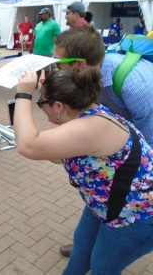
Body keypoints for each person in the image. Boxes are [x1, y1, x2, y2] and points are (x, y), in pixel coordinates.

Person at [14, 67, 153, 274]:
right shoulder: (83, 115)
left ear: (59, 106)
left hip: (137, 214)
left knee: (102, 267)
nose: (41, 108)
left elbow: (28, 145)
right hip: (105, 204)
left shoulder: (92, 127)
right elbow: (54, 155)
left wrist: (23, 93)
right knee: (81, 248)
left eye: (41, 103)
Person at [52, 25, 153, 260]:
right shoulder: (88, 78)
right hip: (122, 143)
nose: (55, 68)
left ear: (78, 65)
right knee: (102, 197)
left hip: (143, 145)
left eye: (58, 63)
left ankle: (112, 247)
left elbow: (148, 145)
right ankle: (87, 247)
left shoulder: (133, 85)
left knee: (122, 207)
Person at [29, 7, 61, 84]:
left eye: (42, 14)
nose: (40, 16)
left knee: (47, 71)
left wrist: (57, 51)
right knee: (37, 69)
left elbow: (59, 38)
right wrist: (31, 46)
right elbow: (34, 36)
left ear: (48, 14)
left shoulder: (54, 24)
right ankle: (35, 84)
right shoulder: (38, 25)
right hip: (36, 51)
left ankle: (47, 85)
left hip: (47, 52)